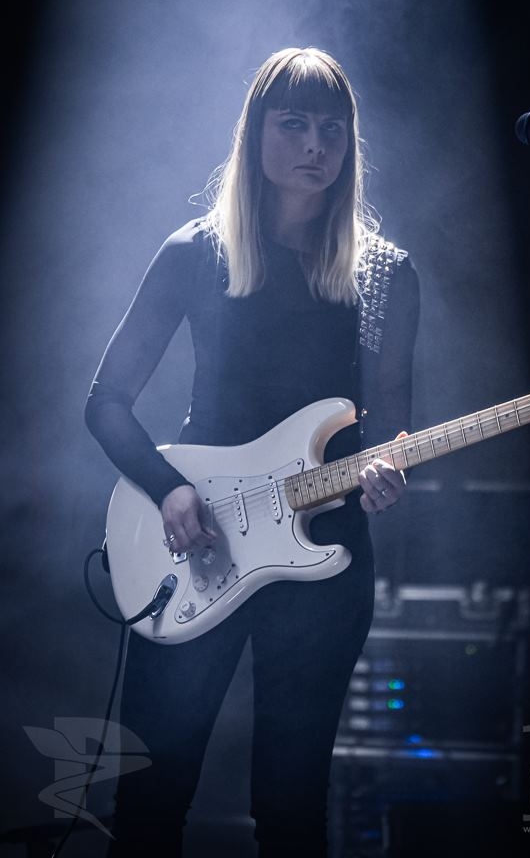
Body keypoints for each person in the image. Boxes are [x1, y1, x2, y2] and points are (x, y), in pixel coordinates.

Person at [85, 46, 420, 857]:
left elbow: (390, 428)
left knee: (293, 806)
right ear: (255, 134)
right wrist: (168, 488)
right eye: (293, 124)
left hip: (326, 557)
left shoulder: (385, 273)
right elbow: (106, 402)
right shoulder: (195, 252)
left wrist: (387, 471)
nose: (314, 146)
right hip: (199, 538)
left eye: (331, 130)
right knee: (150, 801)